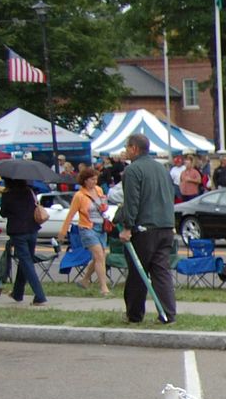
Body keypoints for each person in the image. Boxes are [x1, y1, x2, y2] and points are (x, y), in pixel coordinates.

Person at [115, 132, 177, 323]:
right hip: (165, 226)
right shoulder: (162, 169)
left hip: (144, 228)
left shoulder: (133, 170)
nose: (126, 152)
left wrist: (127, 226)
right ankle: (168, 313)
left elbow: (132, 201)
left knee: (137, 272)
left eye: (127, 147)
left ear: (134, 148)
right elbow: (170, 195)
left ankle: (134, 314)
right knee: (161, 272)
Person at [57, 165, 112, 296]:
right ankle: (104, 288)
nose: (95, 182)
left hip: (100, 226)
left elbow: (103, 206)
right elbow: (71, 214)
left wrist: (104, 207)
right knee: (99, 255)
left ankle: (85, 279)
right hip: (87, 228)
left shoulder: (99, 190)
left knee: (100, 256)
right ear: (85, 180)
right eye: (92, 179)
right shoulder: (79, 196)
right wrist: (63, 231)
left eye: (96, 179)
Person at [0, 177, 48, 305]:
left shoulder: (7, 194)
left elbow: (3, 213)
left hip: (18, 231)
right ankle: (17, 293)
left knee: (26, 263)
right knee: (25, 261)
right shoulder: (29, 191)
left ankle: (40, 295)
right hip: (32, 229)